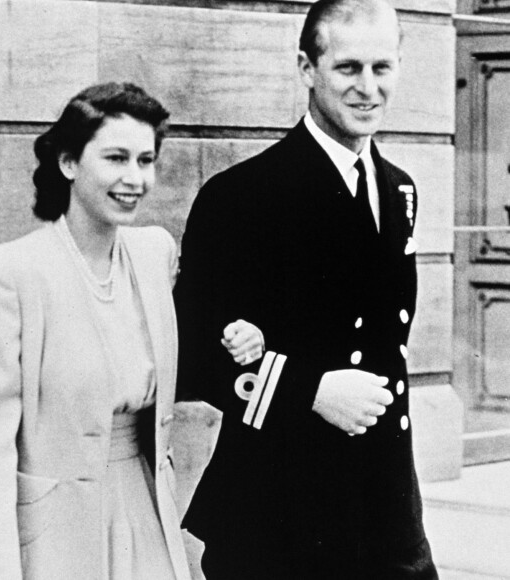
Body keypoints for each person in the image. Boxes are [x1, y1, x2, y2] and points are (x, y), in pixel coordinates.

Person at [174, 1, 439, 578]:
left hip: (387, 508)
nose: (368, 88)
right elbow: (193, 355)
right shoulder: (242, 196)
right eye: (348, 68)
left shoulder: (400, 191)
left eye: (382, 68)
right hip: (281, 513)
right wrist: (309, 389)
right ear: (306, 68)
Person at [0, 82, 194, 580]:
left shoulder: (154, 254)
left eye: (146, 161)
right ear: (68, 163)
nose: (135, 178)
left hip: (146, 510)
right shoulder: (6, 274)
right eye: (116, 158)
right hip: (55, 537)